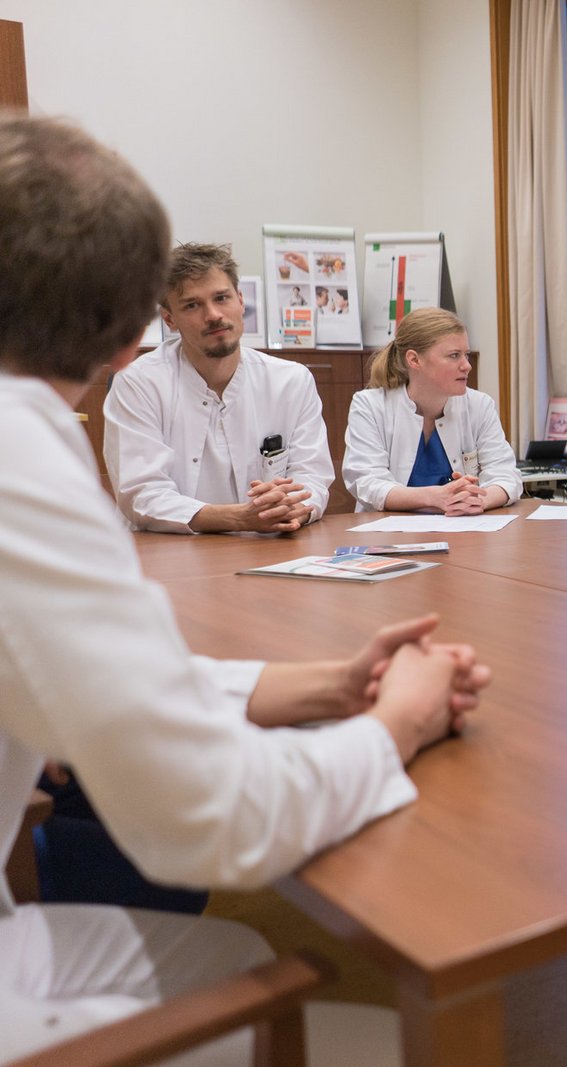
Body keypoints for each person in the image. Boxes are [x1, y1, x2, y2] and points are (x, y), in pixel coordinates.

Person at [0, 113, 492, 1063]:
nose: (215, 316)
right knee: (372, 1034)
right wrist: (396, 723)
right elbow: (217, 821)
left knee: (234, 950)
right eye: (190, 303)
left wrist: (326, 685)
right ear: (132, 333)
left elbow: (106, 677)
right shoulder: (23, 454)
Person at [103, 242, 334, 534]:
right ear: (169, 319)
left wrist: (292, 507)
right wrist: (239, 518)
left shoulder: (291, 381)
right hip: (169, 554)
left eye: (221, 298)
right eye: (192, 305)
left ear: (240, 301)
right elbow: (142, 495)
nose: (212, 314)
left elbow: (312, 476)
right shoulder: (138, 383)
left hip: (271, 548)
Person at [342, 307, 521, 514]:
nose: (467, 366)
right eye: (454, 356)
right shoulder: (370, 406)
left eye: (466, 355)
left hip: (464, 534)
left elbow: (506, 476)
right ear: (414, 360)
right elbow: (367, 482)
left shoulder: (479, 405)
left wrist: (479, 501)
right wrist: (436, 497)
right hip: (388, 536)